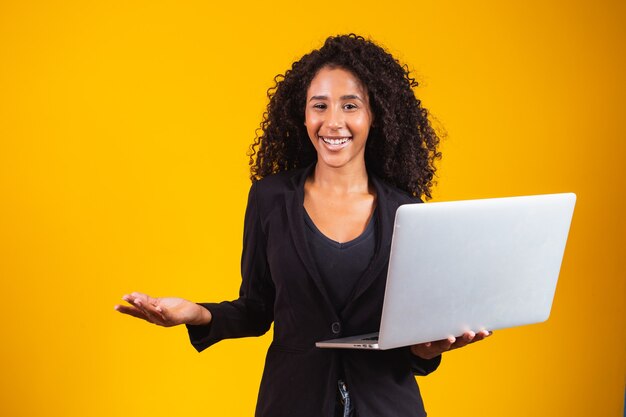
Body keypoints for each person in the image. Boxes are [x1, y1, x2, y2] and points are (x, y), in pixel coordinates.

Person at [115, 34, 491, 417]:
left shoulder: (407, 213)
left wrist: (426, 349)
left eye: (350, 105)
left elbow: (412, 337)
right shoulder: (269, 199)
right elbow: (257, 309)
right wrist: (196, 313)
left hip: (387, 406)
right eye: (320, 106)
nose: (333, 122)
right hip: (292, 402)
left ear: (374, 115)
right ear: (303, 115)